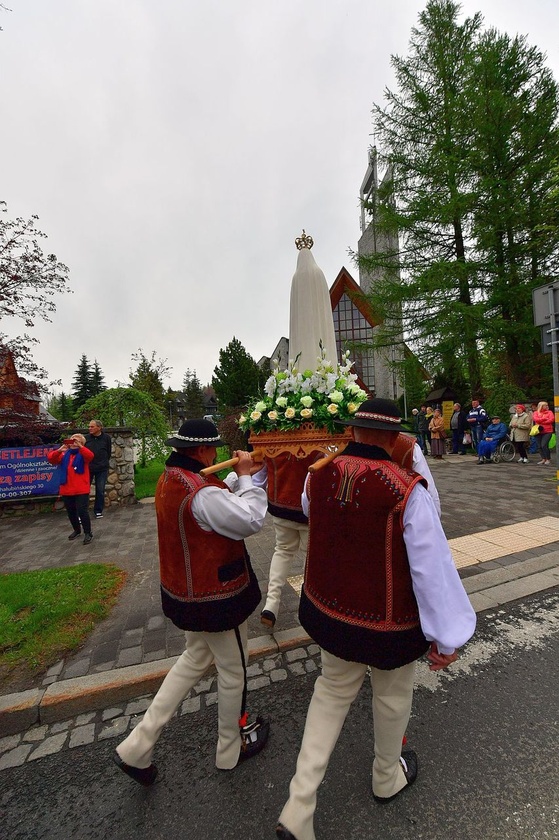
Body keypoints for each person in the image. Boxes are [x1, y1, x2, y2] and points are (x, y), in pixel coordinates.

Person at [276, 399, 476, 840]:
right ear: (393, 438)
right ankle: (386, 777)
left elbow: (314, 515)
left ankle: (298, 804)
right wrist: (445, 638)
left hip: (331, 611)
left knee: (329, 693)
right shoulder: (408, 490)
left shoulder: (318, 475)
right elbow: (431, 569)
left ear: (354, 432)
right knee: (391, 696)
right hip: (387, 622)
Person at [113, 419, 270, 785]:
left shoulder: (171, 478)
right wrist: (247, 479)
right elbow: (249, 519)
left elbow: (214, 496)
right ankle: (230, 749)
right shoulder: (200, 492)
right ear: (200, 451)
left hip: (186, 593)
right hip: (216, 597)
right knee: (234, 672)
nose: (216, 453)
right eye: (213, 448)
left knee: (193, 659)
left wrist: (241, 477)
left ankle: (139, 743)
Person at [47, 434, 94, 545]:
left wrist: (81, 447)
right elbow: (51, 459)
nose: (73, 442)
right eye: (72, 440)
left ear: (82, 443)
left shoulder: (83, 453)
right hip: (67, 488)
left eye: (76, 441)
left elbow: (90, 456)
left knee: (82, 511)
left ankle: (88, 533)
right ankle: (77, 530)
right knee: (71, 512)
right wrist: (59, 450)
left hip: (81, 489)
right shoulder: (64, 454)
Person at [85, 419, 112, 518]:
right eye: (89, 427)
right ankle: (83, 512)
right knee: (84, 490)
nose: (90, 428)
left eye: (92, 427)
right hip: (88, 468)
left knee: (100, 489)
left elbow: (108, 452)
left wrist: (104, 462)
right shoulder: (86, 438)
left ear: (99, 427)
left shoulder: (106, 438)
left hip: (102, 468)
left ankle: (98, 510)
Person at [532, 401, 555, 465]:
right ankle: (543, 459)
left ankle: (548, 459)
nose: (547, 406)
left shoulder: (550, 412)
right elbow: (535, 419)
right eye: (545, 405)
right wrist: (545, 418)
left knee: (544, 445)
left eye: (547, 405)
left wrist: (541, 421)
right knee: (539, 446)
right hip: (538, 431)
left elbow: (551, 419)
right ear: (541, 406)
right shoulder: (536, 412)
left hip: (548, 431)